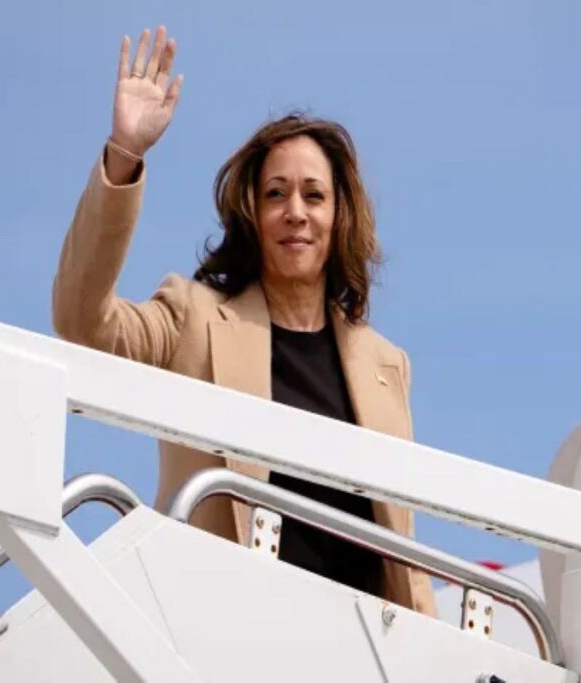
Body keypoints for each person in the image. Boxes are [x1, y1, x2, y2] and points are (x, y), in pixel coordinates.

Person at [52, 26, 435, 616]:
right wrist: (125, 156)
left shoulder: (387, 365)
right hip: (230, 630)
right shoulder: (193, 318)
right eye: (276, 193)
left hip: (360, 645)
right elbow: (82, 319)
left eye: (314, 195)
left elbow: (401, 555)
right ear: (252, 213)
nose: (296, 212)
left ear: (341, 216)